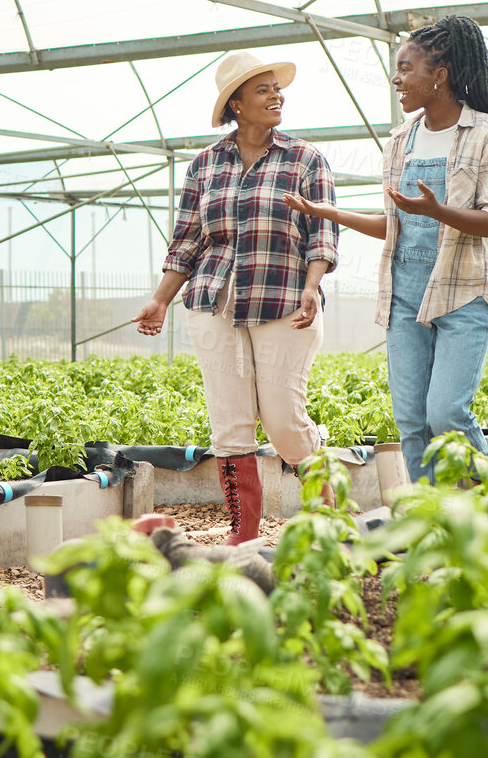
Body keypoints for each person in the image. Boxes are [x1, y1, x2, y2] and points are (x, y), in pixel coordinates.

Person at [285, 16, 488, 484]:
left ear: (440, 74)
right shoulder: (399, 141)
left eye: (406, 68)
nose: (397, 79)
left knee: (446, 412)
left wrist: (438, 212)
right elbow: (393, 225)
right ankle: (431, 520)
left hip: (464, 292)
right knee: (412, 423)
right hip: (404, 294)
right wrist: (325, 211)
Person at [132, 51, 339, 544]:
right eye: (263, 89)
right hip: (213, 300)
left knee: (284, 419)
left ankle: (331, 519)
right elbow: (188, 239)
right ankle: (243, 534)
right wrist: (161, 298)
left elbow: (322, 233)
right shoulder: (205, 165)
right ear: (237, 105)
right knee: (229, 419)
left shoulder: (306, 159)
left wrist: (313, 285)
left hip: (285, 301)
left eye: (277, 88)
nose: (276, 95)